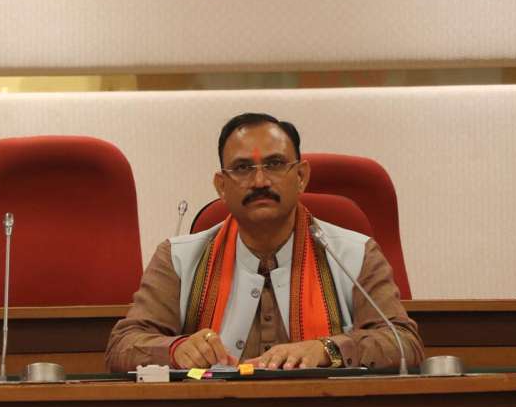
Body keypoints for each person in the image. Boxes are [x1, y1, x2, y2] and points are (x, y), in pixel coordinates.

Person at [106, 113, 423, 371]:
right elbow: (123, 345)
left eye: (275, 164)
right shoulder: (178, 258)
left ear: (301, 177)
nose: (259, 181)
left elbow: (403, 342)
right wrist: (176, 349)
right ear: (221, 186)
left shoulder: (354, 254)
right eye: (243, 168)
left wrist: (327, 349)